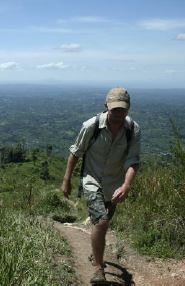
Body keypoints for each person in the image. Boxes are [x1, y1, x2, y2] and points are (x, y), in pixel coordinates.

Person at [61, 87, 140, 283]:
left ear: (128, 109)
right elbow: (75, 153)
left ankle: (96, 251)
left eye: (122, 110)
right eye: (114, 110)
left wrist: (126, 186)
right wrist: (66, 181)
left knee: (101, 223)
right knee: (102, 222)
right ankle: (98, 268)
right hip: (92, 180)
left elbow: (133, 161)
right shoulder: (91, 126)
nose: (118, 114)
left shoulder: (132, 130)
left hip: (114, 184)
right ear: (106, 107)